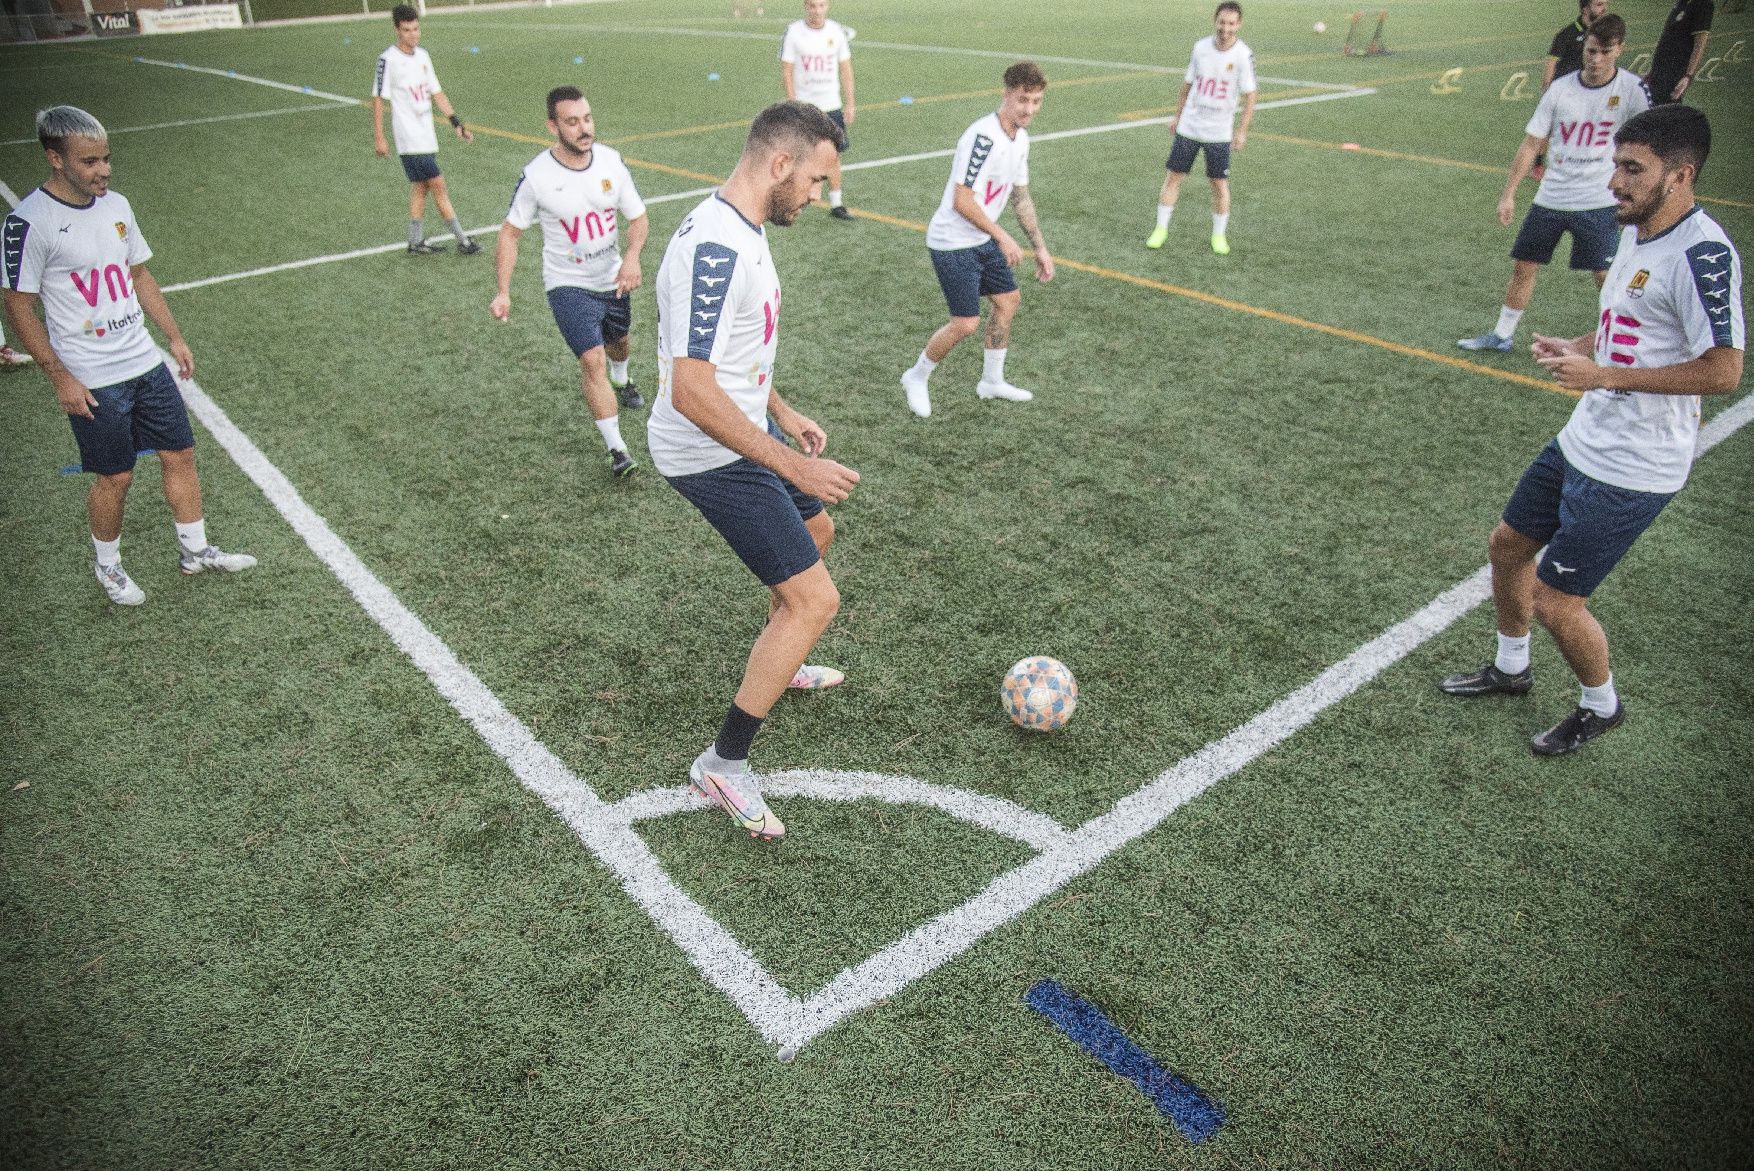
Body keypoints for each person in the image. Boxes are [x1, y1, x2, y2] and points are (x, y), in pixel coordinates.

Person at [1439, 105, 1743, 756]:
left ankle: (1600, 705)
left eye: (1633, 169)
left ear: (1681, 175)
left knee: (1558, 600)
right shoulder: (1636, 227)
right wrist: (1575, 345)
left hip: (1637, 466)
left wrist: (1603, 373)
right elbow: (1629, 330)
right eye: (1615, 164)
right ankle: (1511, 668)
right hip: (1585, 438)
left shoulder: (1704, 255)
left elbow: (1723, 371)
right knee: (1507, 545)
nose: (1615, 181)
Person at [648, 101, 859, 841]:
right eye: (816, 179)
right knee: (814, 600)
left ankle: (782, 656)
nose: (818, 193)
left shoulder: (746, 226)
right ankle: (723, 762)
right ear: (779, 164)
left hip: (746, 431)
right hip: (706, 451)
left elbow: (739, 354)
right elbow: (692, 388)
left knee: (820, 533)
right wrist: (791, 463)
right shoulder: (716, 249)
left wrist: (784, 411)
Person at [2, 106, 256, 607]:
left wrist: (174, 337)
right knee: (115, 476)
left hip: (144, 362)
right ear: (56, 159)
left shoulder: (117, 205)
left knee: (179, 454)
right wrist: (60, 377)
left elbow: (139, 275)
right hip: (92, 377)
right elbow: (18, 305)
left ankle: (195, 550)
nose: (104, 170)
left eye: (107, 158)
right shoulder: (29, 222)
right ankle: (109, 567)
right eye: (90, 161)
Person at [1458, 16, 1647, 353]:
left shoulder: (1633, 91)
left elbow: (1648, 147)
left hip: (1598, 199)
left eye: (1604, 52)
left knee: (1604, 275)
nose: (1596, 59)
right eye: (1591, 50)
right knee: (1523, 266)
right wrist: (1509, 194)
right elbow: (1532, 143)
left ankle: (1619, 341)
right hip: (1552, 196)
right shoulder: (1560, 89)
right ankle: (1502, 335)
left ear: (1619, 49)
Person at [491, 87, 650, 478]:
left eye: (588, 119)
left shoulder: (612, 162)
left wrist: (631, 258)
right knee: (591, 359)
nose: (584, 128)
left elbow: (639, 218)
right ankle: (617, 450)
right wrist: (503, 290)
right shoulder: (536, 177)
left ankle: (624, 377)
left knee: (619, 342)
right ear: (553, 126)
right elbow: (510, 233)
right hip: (567, 283)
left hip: (612, 277)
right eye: (572, 121)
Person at [899, 61, 1054, 419]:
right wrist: (1002, 236)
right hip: (952, 241)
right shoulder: (982, 138)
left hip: (980, 237)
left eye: (1036, 101)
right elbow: (962, 199)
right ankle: (916, 376)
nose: (1029, 109)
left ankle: (991, 381)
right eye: (1022, 100)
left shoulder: (1021, 139)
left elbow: (1021, 197)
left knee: (1009, 301)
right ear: (1006, 95)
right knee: (965, 323)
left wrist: (1040, 248)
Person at [1145, 1, 1256, 256]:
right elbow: (1187, 85)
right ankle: (1160, 229)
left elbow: (1250, 95)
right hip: (1190, 127)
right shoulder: (1200, 48)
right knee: (1173, 178)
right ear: (1215, 21)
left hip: (1219, 132)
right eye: (1221, 22)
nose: (1225, 28)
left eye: (1230, 23)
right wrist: (1177, 117)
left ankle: (1219, 235)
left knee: (1218, 184)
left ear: (1238, 25)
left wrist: (1241, 131)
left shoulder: (1243, 55)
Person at [372, 4, 479, 256]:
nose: (414, 34)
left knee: (421, 187)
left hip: (426, 135)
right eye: (407, 30)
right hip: (408, 138)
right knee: (438, 184)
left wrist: (456, 123)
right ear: (397, 30)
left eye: (416, 29)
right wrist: (380, 136)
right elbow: (378, 98)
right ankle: (463, 241)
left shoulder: (423, 56)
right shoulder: (387, 59)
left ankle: (415, 241)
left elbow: (436, 92)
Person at [780, 0, 856, 220]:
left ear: (828, 6)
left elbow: (846, 68)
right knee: (799, 154)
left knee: (832, 155)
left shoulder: (836, 31)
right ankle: (793, 200)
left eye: (822, 5)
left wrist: (850, 102)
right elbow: (787, 71)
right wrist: (793, 103)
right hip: (804, 107)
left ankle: (836, 203)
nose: (817, 10)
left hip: (831, 105)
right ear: (806, 6)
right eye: (813, 6)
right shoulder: (794, 32)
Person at [1646, 0, 1714, 105]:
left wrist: (1688, 76)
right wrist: (1653, 71)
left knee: (1664, 113)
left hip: (1674, 74)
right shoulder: (1681, 2)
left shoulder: (1703, 3)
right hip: (1659, 72)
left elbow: (1700, 44)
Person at [1545, 0, 1609, 88]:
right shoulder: (1567, 34)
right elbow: (1552, 62)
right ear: (1585, 9)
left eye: (1606, 4)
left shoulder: (1605, 33)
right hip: (1569, 90)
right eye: (1599, 5)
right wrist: (1547, 90)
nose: (1605, 9)